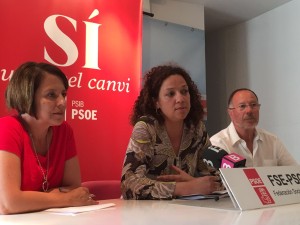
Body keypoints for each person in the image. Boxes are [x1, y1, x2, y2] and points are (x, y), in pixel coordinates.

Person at [0, 62, 97, 214]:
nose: (62, 102)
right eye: (51, 95)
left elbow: (74, 188)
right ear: (27, 96)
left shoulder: (64, 131)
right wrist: (65, 199)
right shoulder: (7, 128)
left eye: (63, 94)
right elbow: (8, 203)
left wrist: (30, 199)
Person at [121, 63, 222, 200]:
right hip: (145, 213)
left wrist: (194, 182)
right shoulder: (146, 128)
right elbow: (129, 183)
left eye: (184, 91)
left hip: (186, 211)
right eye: (170, 94)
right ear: (156, 102)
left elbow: (216, 177)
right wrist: (185, 188)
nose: (180, 99)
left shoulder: (197, 129)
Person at [210, 88, 298, 167]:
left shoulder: (272, 141)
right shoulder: (218, 143)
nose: (249, 111)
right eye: (242, 106)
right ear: (230, 112)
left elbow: (295, 172)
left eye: (253, 105)